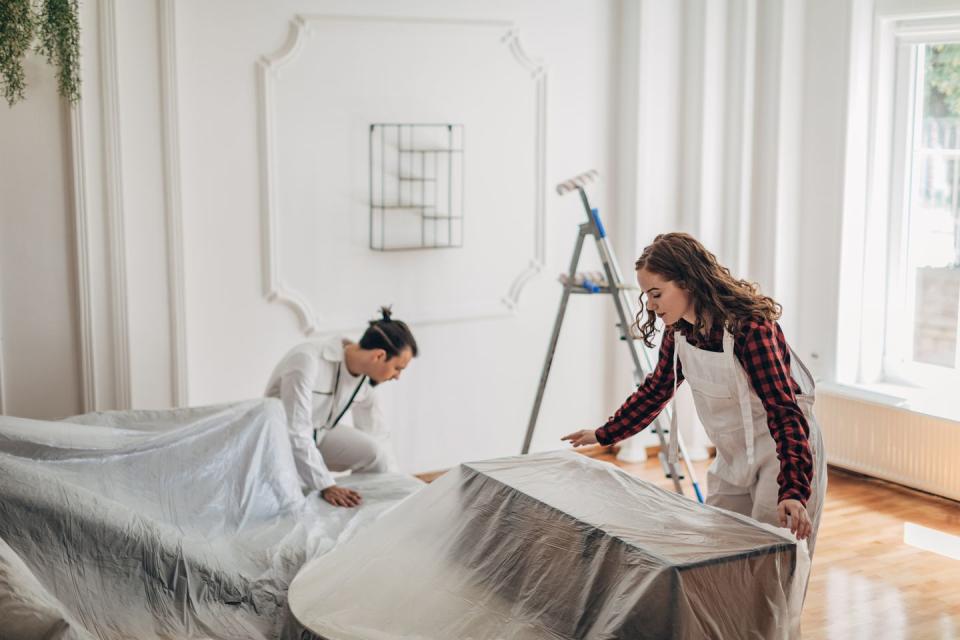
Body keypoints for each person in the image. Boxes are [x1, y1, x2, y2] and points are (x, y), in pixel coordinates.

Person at [562, 233, 827, 556]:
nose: (651, 305)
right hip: (732, 457)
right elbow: (656, 391)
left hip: (783, 454)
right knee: (719, 553)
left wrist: (794, 489)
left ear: (687, 282)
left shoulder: (751, 330)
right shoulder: (680, 333)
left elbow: (783, 411)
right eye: (646, 296)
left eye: (656, 293)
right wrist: (605, 434)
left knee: (773, 560)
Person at [266, 306, 418, 508]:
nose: (397, 376)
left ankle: (375, 515)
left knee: (376, 454)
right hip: (279, 443)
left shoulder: (365, 383)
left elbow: (378, 433)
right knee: (299, 497)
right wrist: (326, 485)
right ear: (379, 356)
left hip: (318, 435)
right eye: (398, 368)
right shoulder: (307, 360)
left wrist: (400, 491)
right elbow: (295, 430)